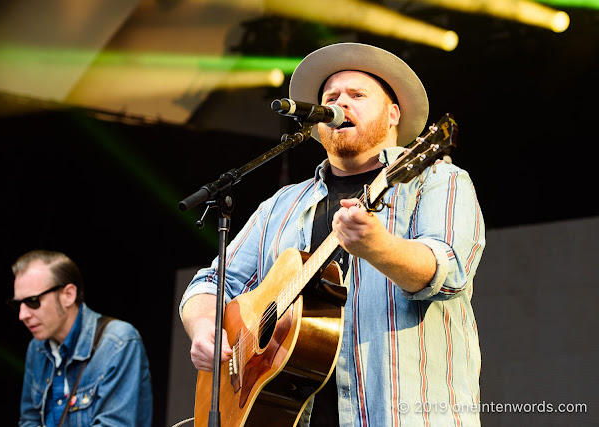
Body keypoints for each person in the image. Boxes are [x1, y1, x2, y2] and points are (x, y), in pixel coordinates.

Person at [180, 42, 485, 426]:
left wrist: (377, 246)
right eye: (331, 98)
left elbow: (448, 273)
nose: (341, 104)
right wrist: (206, 329)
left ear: (393, 114)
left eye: (357, 95)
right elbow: (211, 281)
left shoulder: (438, 181)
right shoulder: (280, 206)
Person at [8, 249, 153, 426]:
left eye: (33, 301)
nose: (22, 315)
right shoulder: (37, 348)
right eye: (18, 304)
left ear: (68, 295)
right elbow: (29, 421)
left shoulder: (119, 342)